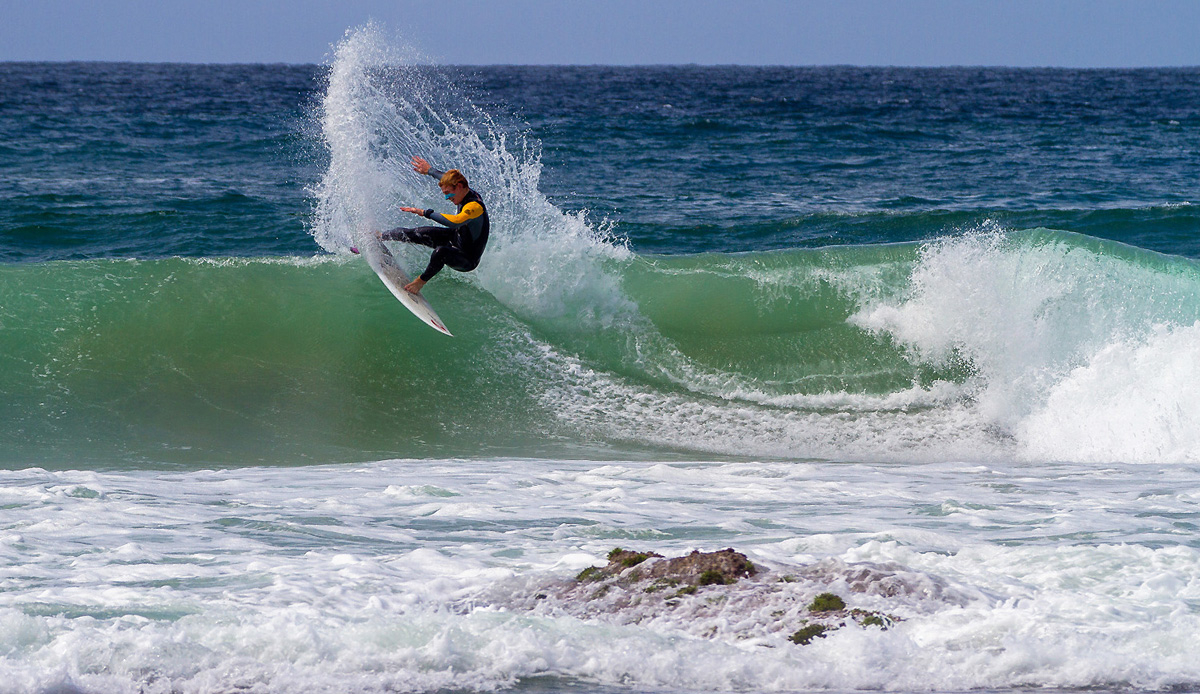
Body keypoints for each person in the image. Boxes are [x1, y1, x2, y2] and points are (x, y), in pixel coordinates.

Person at [379, 156, 490, 295]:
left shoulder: (474, 206)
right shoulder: (460, 187)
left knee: (440, 252)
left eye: (448, 193)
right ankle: (380, 236)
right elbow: (445, 177)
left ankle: (420, 282)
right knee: (417, 232)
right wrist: (429, 170)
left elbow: (454, 221)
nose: (447, 197)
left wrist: (425, 212)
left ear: (460, 186)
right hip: (456, 237)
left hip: (467, 258)